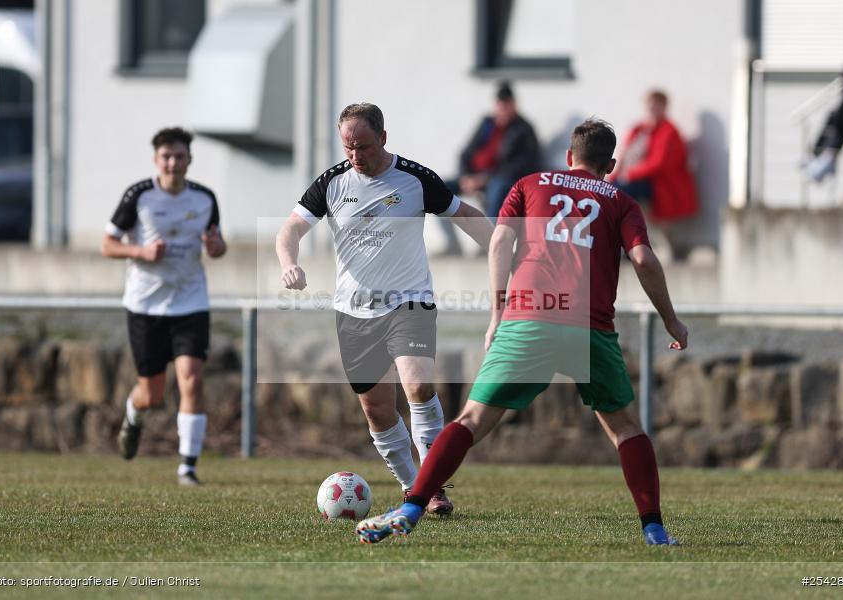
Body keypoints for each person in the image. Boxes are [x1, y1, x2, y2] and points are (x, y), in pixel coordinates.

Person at [356, 118, 689, 546]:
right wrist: (670, 320)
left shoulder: (529, 183)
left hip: (528, 319)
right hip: (588, 329)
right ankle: (655, 530)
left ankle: (412, 506)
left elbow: (498, 243)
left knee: (471, 421)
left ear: (569, 157)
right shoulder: (621, 201)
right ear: (610, 164)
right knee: (626, 428)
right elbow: (643, 260)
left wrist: (497, 313)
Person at [276, 103, 493, 513]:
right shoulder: (333, 183)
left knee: (417, 387)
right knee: (377, 409)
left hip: (410, 301)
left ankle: (433, 488)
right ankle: (415, 488)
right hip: (353, 310)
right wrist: (290, 262)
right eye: (348, 147)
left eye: (363, 146)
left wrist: (507, 254)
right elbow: (291, 228)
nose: (355, 156)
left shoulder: (415, 179)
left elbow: (466, 215)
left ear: (383, 138)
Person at [100, 127, 226, 486]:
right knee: (151, 393)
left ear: (189, 160)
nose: (173, 163)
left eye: (179, 156)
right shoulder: (138, 196)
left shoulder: (204, 198)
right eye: (166, 157)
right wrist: (139, 251)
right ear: (157, 160)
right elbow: (107, 244)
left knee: (192, 380)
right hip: (145, 305)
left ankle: (187, 467)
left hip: (191, 302)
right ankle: (133, 415)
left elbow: (217, 247)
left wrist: (216, 246)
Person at [439, 82, 541, 254]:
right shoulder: (486, 124)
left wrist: (484, 178)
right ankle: (452, 245)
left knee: (497, 187)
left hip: (500, 178)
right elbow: (466, 153)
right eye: (500, 104)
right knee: (440, 188)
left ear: (514, 104)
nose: (503, 108)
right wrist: (466, 177)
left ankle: (489, 245)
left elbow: (523, 164)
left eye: (507, 104)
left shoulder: (523, 129)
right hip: (475, 177)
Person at [611, 90, 697, 223]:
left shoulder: (669, 131)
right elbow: (623, 151)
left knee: (616, 193)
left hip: (659, 184)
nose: (651, 108)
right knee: (601, 190)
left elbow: (658, 164)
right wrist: (613, 174)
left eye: (656, 105)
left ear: (664, 107)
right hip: (632, 178)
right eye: (649, 104)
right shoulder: (638, 128)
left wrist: (629, 174)